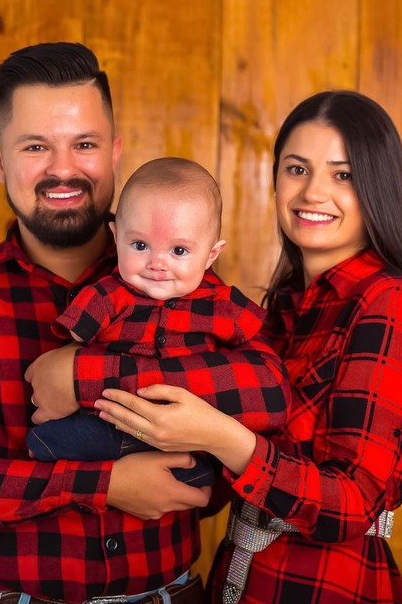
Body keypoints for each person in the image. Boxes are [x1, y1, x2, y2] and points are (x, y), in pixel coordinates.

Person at [0, 42, 290, 604]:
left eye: (83, 144)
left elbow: (267, 389)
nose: (62, 168)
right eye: (35, 147)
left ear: (115, 152)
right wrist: (103, 483)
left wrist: (85, 374)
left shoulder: (188, 284)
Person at [92, 90, 402, 604]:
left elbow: (354, 500)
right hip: (242, 592)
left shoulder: (389, 303)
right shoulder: (285, 307)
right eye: (297, 168)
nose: (313, 192)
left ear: (377, 186)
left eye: (343, 174)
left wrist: (221, 437)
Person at [27, 157, 284, 488]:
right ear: (116, 237)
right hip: (112, 420)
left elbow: (267, 380)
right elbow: (75, 333)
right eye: (140, 245)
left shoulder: (220, 304)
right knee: (65, 435)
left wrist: (81, 375)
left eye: (178, 250)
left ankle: (182, 465)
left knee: (203, 457)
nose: (157, 263)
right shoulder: (110, 294)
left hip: (185, 432)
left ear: (210, 256)